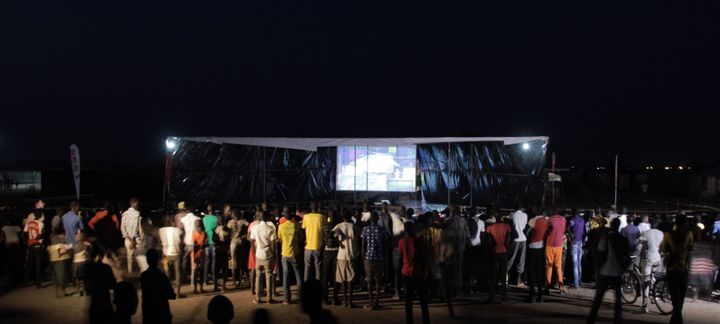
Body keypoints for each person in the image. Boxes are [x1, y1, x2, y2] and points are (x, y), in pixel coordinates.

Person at [587, 218, 630, 324]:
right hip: (617, 272)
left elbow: (600, 251)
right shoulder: (623, 239)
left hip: (605, 271)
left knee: (598, 299)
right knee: (618, 301)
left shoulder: (606, 237)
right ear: (619, 225)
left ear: (611, 225)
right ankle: (617, 320)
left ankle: (592, 319)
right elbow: (627, 256)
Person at [661, 214, 694, 324]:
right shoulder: (689, 234)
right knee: (680, 299)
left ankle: (676, 321)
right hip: (684, 270)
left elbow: (664, 249)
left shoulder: (668, 235)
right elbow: (691, 249)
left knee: (676, 299)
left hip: (672, 269)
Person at [399, 222, 429, 324]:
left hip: (406, 272)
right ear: (412, 229)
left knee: (408, 301)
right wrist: (425, 271)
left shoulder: (401, 241)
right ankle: (426, 321)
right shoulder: (418, 241)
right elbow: (423, 258)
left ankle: (409, 321)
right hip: (418, 272)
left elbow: (401, 257)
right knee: (423, 301)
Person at [361, 211, 388, 310]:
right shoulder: (382, 230)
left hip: (368, 258)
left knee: (369, 280)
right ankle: (376, 302)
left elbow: (363, 246)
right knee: (378, 281)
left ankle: (371, 302)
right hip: (379, 258)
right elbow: (385, 246)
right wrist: (385, 258)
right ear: (377, 219)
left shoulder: (365, 229)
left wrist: (363, 259)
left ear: (370, 219)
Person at [140, 249, 175, 324]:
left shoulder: (143, 276)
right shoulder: (161, 276)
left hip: (148, 312)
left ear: (147, 260)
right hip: (162, 311)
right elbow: (172, 295)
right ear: (157, 260)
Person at [636, 218, 664, 313]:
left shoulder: (646, 233)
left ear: (650, 224)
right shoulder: (661, 233)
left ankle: (644, 305)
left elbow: (639, 246)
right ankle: (655, 291)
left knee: (645, 282)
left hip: (648, 259)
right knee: (652, 276)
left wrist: (636, 254)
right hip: (658, 259)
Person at [85, 244, 118, 324]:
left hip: (94, 303)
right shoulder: (106, 267)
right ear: (99, 256)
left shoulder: (88, 268)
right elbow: (113, 284)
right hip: (105, 301)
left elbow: (88, 290)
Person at [250, 211, 277, 304]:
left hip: (258, 254)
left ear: (260, 218)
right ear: (268, 217)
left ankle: (257, 298)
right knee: (268, 276)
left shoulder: (255, 228)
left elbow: (252, 241)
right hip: (268, 255)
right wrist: (273, 255)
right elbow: (273, 244)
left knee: (258, 277)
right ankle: (269, 298)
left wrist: (254, 253)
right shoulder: (270, 228)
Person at [333, 209, 358, 308]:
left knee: (343, 279)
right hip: (351, 254)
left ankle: (345, 301)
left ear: (342, 217)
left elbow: (330, 235)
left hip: (341, 255)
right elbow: (356, 239)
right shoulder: (353, 227)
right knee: (350, 279)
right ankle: (350, 302)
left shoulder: (339, 226)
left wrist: (339, 241)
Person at [485, 215, 512, 303]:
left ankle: (491, 297)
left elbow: (489, 242)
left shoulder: (490, 228)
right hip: (503, 251)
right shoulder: (507, 227)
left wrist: (491, 250)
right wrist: (507, 249)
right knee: (503, 275)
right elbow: (508, 241)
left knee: (493, 275)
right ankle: (504, 297)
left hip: (494, 252)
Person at [278, 212, 303, 305]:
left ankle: (287, 299)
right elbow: (301, 238)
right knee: (298, 275)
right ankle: (301, 298)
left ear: (285, 217)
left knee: (286, 276)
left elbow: (280, 239)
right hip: (295, 253)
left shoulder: (281, 226)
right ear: (292, 217)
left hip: (285, 253)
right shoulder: (296, 225)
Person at [526, 212, 549, 303]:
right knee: (540, 272)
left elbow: (527, 233)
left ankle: (532, 296)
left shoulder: (532, 220)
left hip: (532, 247)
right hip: (541, 248)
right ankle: (540, 295)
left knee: (532, 272)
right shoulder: (546, 221)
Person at [159, 216, 183, 298]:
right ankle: (178, 293)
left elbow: (160, 243)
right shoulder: (178, 230)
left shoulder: (161, 230)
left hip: (165, 255)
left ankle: (168, 292)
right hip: (176, 254)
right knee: (178, 273)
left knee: (166, 274)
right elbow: (181, 240)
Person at [545, 209, 567, 295]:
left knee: (549, 266)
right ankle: (561, 288)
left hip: (550, 244)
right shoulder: (563, 219)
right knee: (558, 267)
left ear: (552, 213)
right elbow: (563, 230)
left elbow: (547, 231)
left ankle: (547, 287)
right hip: (559, 245)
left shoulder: (550, 220)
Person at [321, 210, 341, 305]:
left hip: (326, 251)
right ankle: (334, 298)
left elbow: (323, 238)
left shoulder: (324, 226)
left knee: (325, 276)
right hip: (336, 251)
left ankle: (325, 298)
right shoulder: (338, 226)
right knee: (335, 276)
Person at [506, 204, 528, 287]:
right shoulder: (525, 215)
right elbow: (524, 227)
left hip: (515, 239)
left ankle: (505, 279)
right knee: (521, 260)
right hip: (523, 239)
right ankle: (517, 281)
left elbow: (510, 227)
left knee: (511, 258)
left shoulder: (512, 215)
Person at [227, 208, 249, 288]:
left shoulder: (230, 222)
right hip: (240, 242)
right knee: (241, 262)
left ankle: (234, 281)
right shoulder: (242, 221)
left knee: (233, 263)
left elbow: (227, 232)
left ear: (233, 215)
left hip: (233, 242)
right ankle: (240, 280)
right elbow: (248, 225)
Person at [303, 202, 325, 281]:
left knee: (307, 268)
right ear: (317, 207)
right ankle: (318, 287)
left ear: (310, 207)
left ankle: (306, 287)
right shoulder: (322, 217)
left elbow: (303, 229)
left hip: (308, 246)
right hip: (318, 246)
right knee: (318, 267)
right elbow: (324, 231)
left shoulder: (306, 217)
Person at [121, 198, 143, 274]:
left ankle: (130, 272)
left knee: (129, 258)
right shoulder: (137, 214)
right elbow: (138, 228)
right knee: (139, 256)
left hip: (128, 240)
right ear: (135, 204)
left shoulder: (124, 214)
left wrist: (129, 238)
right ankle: (141, 272)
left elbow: (122, 228)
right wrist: (135, 239)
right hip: (136, 239)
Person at [47, 226, 71, 298]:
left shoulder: (52, 238)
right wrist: (68, 248)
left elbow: (49, 248)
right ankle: (63, 292)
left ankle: (57, 293)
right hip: (61, 260)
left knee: (56, 277)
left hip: (52, 259)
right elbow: (61, 251)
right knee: (62, 276)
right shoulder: (61, 238)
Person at [179, 205, 200, 281]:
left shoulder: (183, 219)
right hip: (195, 242)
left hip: (187, 241)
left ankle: (184, 277)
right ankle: (193, 278)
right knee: (195, 261)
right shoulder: (197, 218)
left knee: (185, 260)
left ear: (187, 211)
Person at [24, 212, 45, 288]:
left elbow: (25, 233)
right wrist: (39, 241)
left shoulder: (29, 223)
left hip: (30, 245)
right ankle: (38, 284)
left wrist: (29, 241)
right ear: (40, 217)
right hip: (37, 245)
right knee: (38, 264)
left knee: (29, 264)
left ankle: (26, 281)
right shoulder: (40, 223)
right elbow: (41, 234)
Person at [202, 204, 220, 291]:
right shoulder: (215, 218)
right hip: (213, 241)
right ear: (213, 210)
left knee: (206, 262)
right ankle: (214, 280)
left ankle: (205, 280)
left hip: (206, 242)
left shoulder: (204, 218)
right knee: (214, 262)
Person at [568, 209, 585, 289]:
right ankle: (579, 281)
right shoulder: (582, 220)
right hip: (580, 243)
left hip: (574, 243)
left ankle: (576, 283)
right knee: (579, 263)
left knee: (575, 264)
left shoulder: (572, 221)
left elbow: (568, 229)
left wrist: (571, 235)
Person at [191, 219, 207, 293]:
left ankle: (195, 289)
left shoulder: (194, 233)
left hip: (196, 253)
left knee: (196, 272)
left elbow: (194, 246)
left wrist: (194, 256)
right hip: (201, 253)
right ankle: (200, 288)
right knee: (201, 272)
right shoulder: (204, 233)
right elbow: (206, 244)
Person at [73, 232, 90, 296]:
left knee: (77, 278)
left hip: (77, 262)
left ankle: (79, 292)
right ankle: (85, 291)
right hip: (84, 262)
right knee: (84, 278)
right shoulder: (85, 245)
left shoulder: (75, 246)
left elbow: (73, 255)